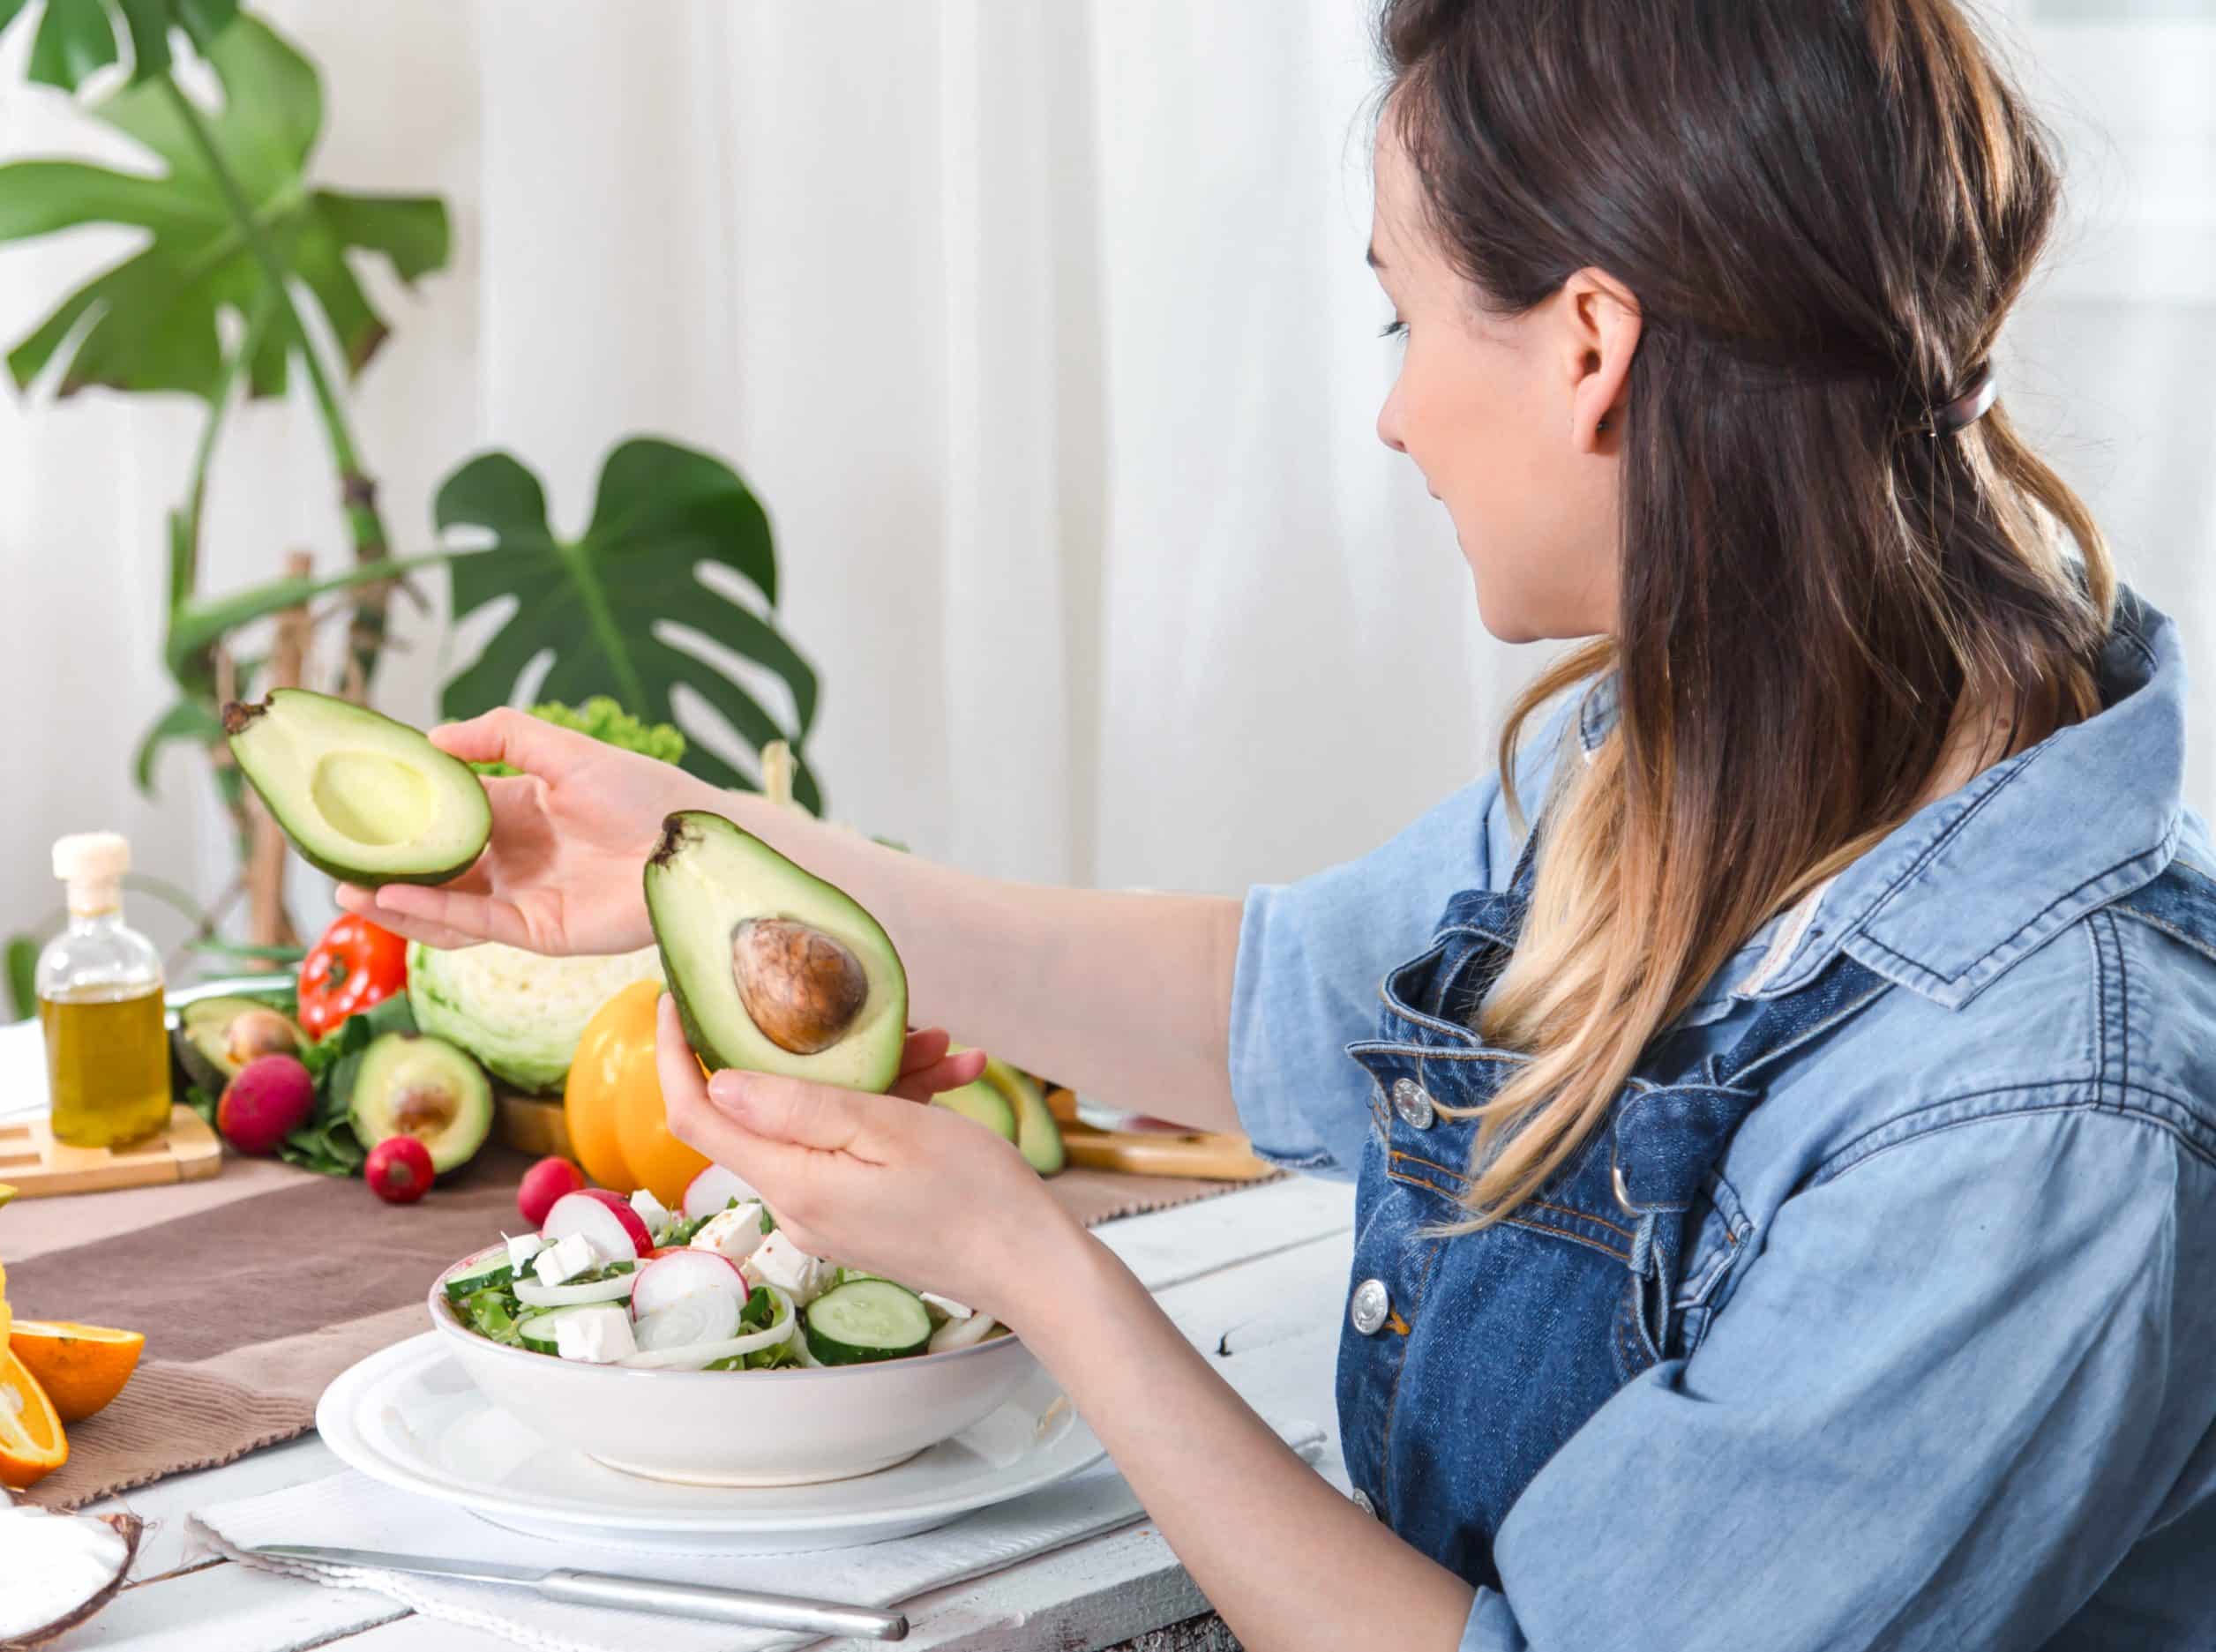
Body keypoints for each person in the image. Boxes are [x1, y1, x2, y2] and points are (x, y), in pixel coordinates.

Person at [341, 1, 2216, 1645]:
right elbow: (1276, 1003)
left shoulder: (2041, 1114)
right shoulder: (1695, 764)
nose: (1394, 416)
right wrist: (707, 856)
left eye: (1401, 321)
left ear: (1587, 347)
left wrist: (1037, 1271)